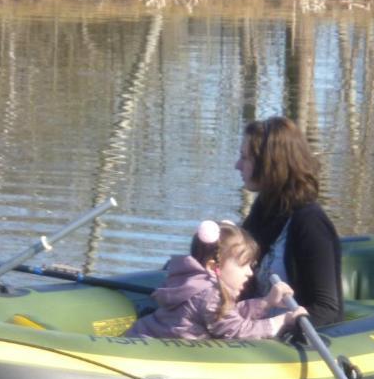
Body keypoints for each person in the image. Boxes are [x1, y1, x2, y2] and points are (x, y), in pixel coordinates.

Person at [236, 116, 344, 326]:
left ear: (268, 164)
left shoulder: (310, 223)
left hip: (285, 341)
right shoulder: (264, 208)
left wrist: (279, 327)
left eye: (244, 158)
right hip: (252, 327)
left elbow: (328, 310)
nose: (237, 165)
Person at [125, 220, 306, 341]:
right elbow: (236, 331)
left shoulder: (194, 283)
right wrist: (280, 322)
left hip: (141, 337)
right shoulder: (210, 294)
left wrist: (266, 303)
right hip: (147, 351)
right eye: (243, 265)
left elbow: (229, 314)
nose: (250, 273)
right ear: (214, 267)